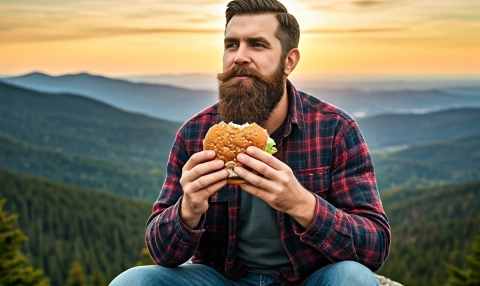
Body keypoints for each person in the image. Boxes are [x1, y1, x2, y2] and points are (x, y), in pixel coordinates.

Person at [110, 0, 390, 285]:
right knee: (134, 281)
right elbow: (161, 253)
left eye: (257, 44)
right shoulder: (195, 135)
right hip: (222, 279)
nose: (239, 57)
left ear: (289, 61)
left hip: (309, 279)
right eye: (231, 45)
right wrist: (188, 210)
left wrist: (302, 204)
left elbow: (375, 246)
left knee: (353, 277)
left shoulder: (334, 130)